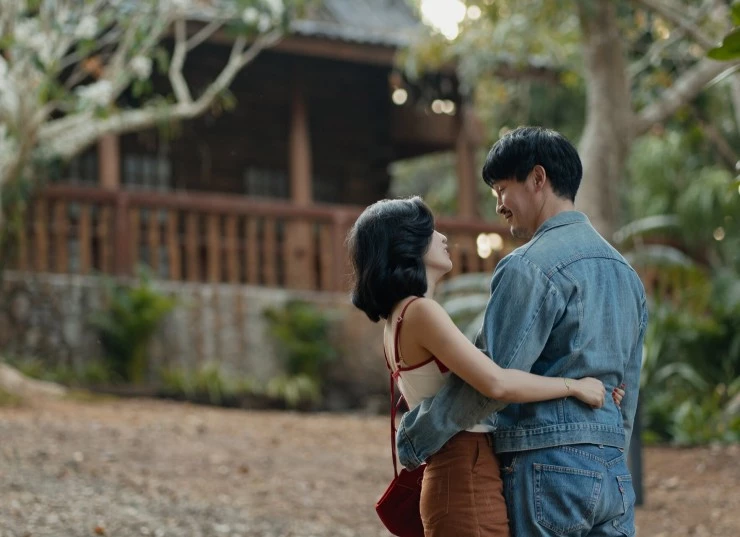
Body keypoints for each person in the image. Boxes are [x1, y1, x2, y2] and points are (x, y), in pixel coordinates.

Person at [395, 127, 647, 537]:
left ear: (537, 178)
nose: (499, 205)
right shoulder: (627, 274)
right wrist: (611, 452)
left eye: (501, 189)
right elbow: (628, 392)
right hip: (613, 473)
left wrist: (415, 436)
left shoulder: (528, 266)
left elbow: (491, 380)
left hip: (548, 468)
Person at [347, 196, 623, 537]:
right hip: (465, 475)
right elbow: (496, 383)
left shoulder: (399, 319)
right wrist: (575, 387)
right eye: (430, 230)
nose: (442, 237)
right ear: (406, 243)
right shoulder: (420, 311)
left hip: (457, 472)